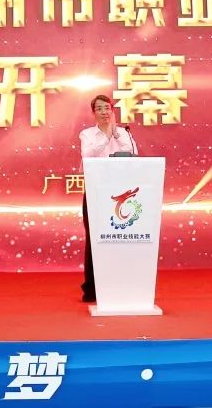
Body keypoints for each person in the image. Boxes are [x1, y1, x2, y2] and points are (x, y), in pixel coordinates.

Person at [78, 95, 134, 302]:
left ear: (112, 110)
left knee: (119, 236)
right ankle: (91, 289)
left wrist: (116, 133)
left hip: (121, 191)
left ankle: (119, 285)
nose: (104, 112)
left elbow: (131, 153)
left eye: (107, 108)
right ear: (94, 113)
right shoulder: (87, 134)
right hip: (96, 190)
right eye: (99, 109)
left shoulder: (123, 133)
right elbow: (88, 155)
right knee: (94, 238)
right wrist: (107, 136)